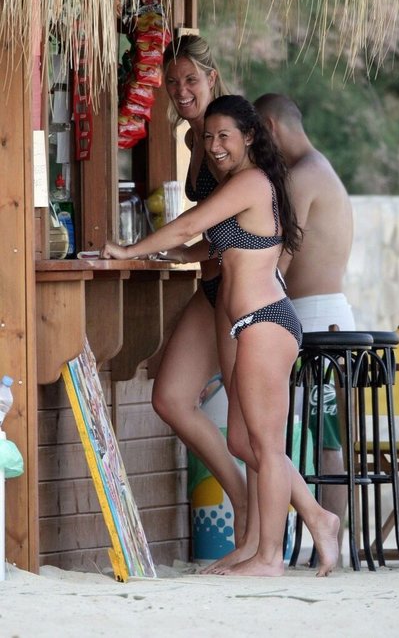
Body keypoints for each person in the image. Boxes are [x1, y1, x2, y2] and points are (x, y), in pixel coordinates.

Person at [101, 94, 339, 577]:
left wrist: (129, 250)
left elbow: (190, 223)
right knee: (243, 442)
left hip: (265, 321)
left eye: (223, 136)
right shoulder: (240, 184)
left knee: (265, 446)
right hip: (246, 323)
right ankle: (305, 524)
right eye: (207, 137)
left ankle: (270, 557)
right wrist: (170, 255)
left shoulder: (251, 181)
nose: (213, 145)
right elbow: (211, 244)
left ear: (249, 136)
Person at [148, 35, 249, 546]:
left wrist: (157, 247)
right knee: (170, 399)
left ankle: (311, 518)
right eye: (171, 82)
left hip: (238, 292)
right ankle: (243, 501)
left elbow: (251, 218)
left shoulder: (229, 135)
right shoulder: (193, 139)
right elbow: (213, 229)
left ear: (211, 77)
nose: (181, 90)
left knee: (247, 431)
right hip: (208, 287)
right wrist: (186, 253)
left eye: (190, 79)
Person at [254, 93, 356, 553]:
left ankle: (332, 540)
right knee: (310, 434)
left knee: (326, 437)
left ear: (270, 126)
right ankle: (322, 537)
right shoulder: (320, 169)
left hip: (318, 321)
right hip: (319, 315)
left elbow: (280, 256)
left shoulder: (305, 175)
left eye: (257, 138)